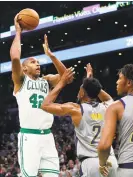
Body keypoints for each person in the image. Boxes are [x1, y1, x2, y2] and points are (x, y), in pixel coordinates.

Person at [10, 14, 73, 177]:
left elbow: (65, 76)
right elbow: (15, 57)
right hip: (29, 137)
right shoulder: (20, 81)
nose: (37, 64)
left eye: (38, 62)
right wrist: (18, 32)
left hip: (47, 136)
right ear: (24, 69)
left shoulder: (46, 80)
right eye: (32, 62)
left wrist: (51, 55)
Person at [41, 64, 118, 177]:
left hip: (91, 163)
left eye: (81, 88)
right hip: (111, 160)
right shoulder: (107, 106)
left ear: (82, 93)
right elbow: (107, 98)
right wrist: (91, 83)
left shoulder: (76, 109)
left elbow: (45, 105)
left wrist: (62, 82)